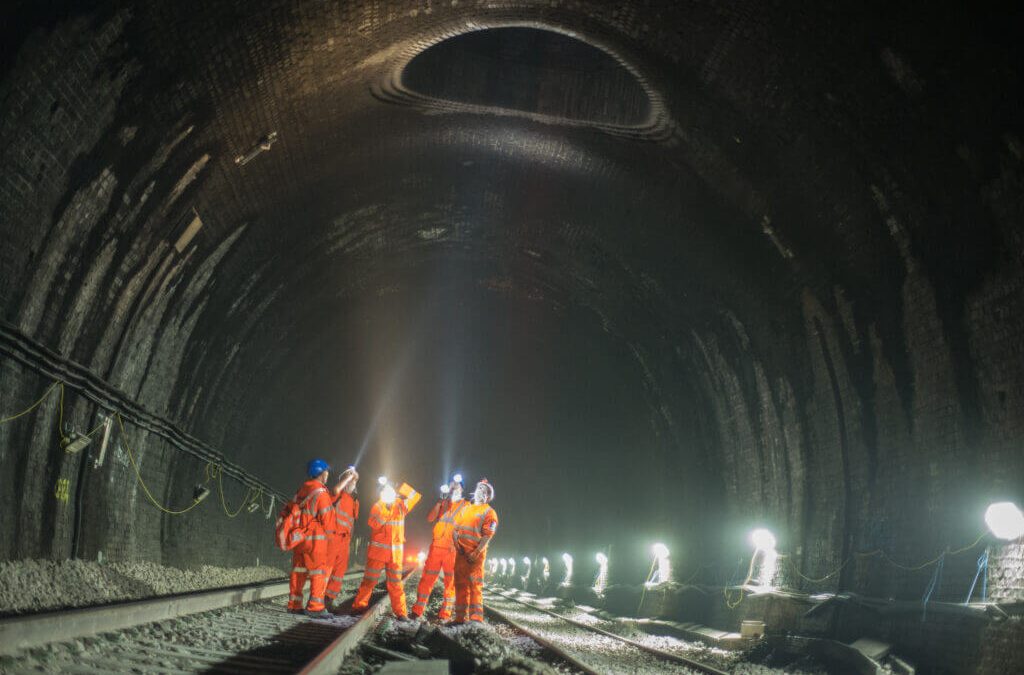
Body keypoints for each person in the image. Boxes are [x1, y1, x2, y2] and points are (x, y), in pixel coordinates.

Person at [351, 477, 420, 618]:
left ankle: (401, 613)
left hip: (395, 554)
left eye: (391, 491)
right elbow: (374, 524)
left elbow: (415, 496)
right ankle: (359, 607)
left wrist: (401, 485)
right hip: (378, 552)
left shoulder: (401, 505)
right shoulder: (378, 506)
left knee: (396, 584)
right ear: (381, 493)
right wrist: (387, 510)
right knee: (369, 581)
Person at [411, 474, 467, 620]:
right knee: (426, 580)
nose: (454, 487)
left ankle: (445, 614)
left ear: (462, 489)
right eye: (452, 485)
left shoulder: (466, 506)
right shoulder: (443, 503)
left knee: (450, 584)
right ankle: (417, 610)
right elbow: (430, 518)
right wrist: (439, 501)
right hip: (436, 548)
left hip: (452, 551)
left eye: (457, 485)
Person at [288, 459, 335, 617]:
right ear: (321, 473)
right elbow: (328, 521)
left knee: (298, 571)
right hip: (315, 539)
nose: (328, 474)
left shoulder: (302, 490)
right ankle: (315, 606)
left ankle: (294, 604)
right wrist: (331, 537)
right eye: (326, 471)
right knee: (318, 572)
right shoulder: (321, 493)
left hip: (299, 537)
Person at [453, 478, 498, 623]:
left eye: (484, 491)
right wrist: (456, 544)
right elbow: (456, 529)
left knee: (474, 586)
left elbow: (487, 535)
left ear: (488, 497)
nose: (481, 492)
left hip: (475, 557)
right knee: (460, 585)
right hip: (461, 554)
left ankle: (476, 618)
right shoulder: (466, 508)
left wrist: (476, 552)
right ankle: (460, 618)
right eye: (480, 489)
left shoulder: (490, 512)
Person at [324, 466, 359, 610]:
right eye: (350, 480)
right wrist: (348, 478)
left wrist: (350, 541)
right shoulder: (338, 494)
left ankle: (330, 599)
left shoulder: (355, 501)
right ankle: (317, 599)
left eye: (354, 481)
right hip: (333, 537)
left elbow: (352, 522)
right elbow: (335, 490)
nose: (352, 483)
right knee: (327, 570)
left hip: (345, 541)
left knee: (339, 572)